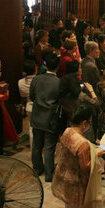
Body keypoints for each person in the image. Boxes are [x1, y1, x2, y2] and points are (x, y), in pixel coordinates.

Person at [52, 104, 105, 208]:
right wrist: (97, 154)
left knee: (68, 206)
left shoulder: (67, 131)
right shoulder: (82, 143)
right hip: (76, 183)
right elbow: (85, 167)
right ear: (84, 123)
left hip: (64, 176)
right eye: (89, 122)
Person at [30, 53, 61, 182]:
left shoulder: (36, 79)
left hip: (37, 115)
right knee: (49, 146)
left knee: (36, 145)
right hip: (50, 117)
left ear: (45, 64)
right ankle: (49, 174)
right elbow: (60, 101)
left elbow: (32, 96)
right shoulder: (59, 82)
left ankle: (37, 169)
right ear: (58, 66)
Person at [18, 60, 37, 146]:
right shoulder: (39, 81)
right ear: (35, 69)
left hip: (29, 106)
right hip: (40, 105)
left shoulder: (20, 82)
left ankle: (33, 149)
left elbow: (22, 95)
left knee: (31, 128)